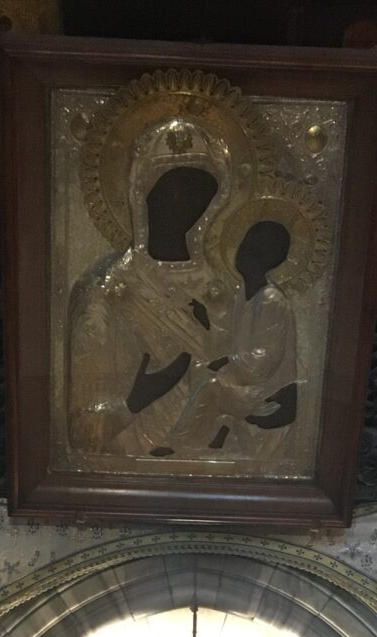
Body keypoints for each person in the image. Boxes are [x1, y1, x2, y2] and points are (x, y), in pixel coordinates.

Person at [66, 118, 236, 458]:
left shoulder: (221, 290)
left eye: (197, 193)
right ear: (141, 196)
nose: (183, 206)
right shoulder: (108, 293)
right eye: (170, 193)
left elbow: (246, 395)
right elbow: (83, 433)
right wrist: (137, 399)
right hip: (125, 469)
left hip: (208, 469)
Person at [164, 218, 298, 462]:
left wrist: (228, 360)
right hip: (246, 383)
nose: (243, 257)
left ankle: (178, 445)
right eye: (243, 248)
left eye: (253, 253)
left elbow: (264, 358)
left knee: (212, 387)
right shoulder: (243, 296)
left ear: (267, 261)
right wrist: (206, 322)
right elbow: (231, 341)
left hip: (269, 393)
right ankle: (210, 436)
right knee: (199, 370)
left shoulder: (271, 300)